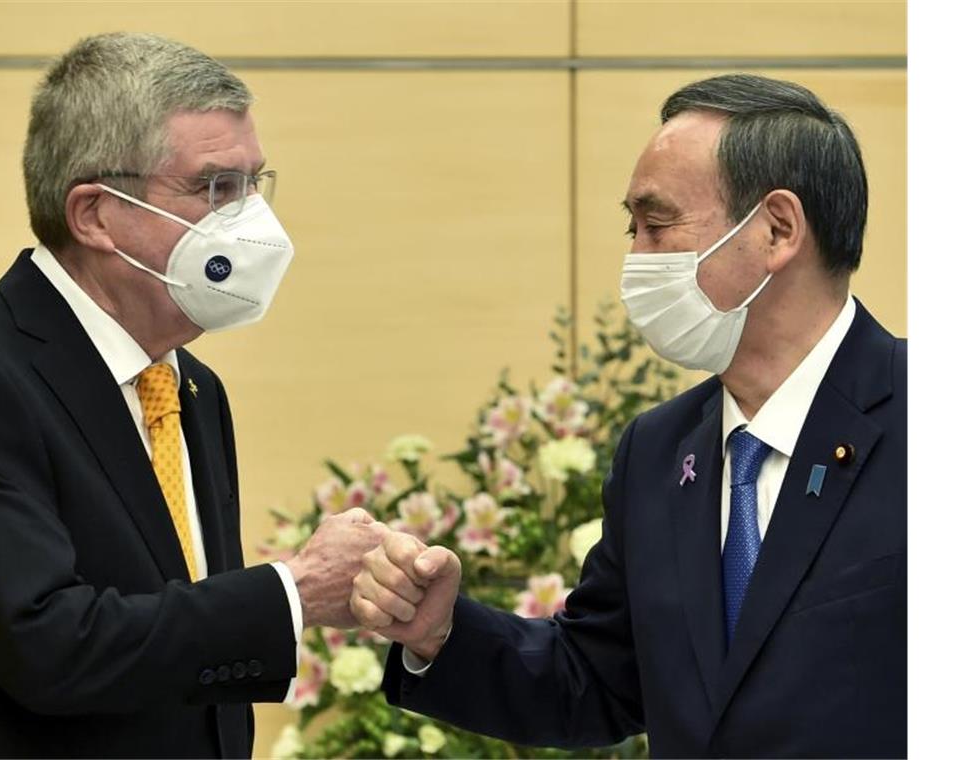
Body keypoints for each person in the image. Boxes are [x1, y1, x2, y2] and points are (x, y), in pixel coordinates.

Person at [351, 73, 906, 758]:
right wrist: (440, 634)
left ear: (776, 229)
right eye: (630, 228)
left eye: (658, 224)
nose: (635, 258)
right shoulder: (658, 450)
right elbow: (597, 678)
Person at [0, 32, 385, 758]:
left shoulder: (191, 385)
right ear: (94, 214)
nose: (251, 220)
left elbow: (176, 632)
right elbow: (49, 644)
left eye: (253, 184)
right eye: (215, 188)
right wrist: (292, 591)